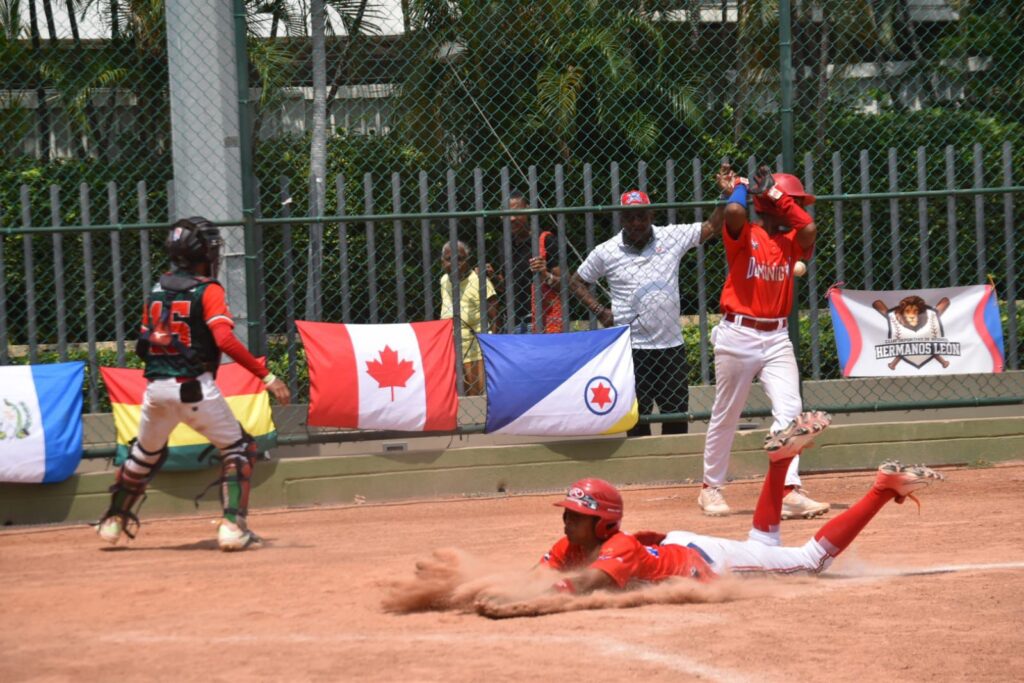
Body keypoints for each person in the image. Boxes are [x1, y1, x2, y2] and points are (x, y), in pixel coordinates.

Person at [96, 217, 291, 551]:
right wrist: (267, 377)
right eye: (211, 247)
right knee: (240, 449)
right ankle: (232, 527)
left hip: (155, 388)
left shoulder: (157, 289)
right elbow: (224, 340)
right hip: (194, 387)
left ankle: (113, 522)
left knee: (144, 455)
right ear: (202, 252)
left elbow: (144, 344)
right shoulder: (208, 290)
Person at [535, 456, 944, 595]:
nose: (566, 519)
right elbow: (539, 575)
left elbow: (584, 584)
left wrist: (544, 594)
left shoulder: (617, 549)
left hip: (710, 561)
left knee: (809, 560)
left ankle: (882, 489)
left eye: (576, 515)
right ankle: (779, 463)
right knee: (764, 543)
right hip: (684, 548)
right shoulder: (571, 544)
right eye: (568, 512)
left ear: (603, 522)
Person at [698, 164, 830, 519]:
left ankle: (786, 489)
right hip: (738, 334)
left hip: (776, 337)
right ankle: (711, 488)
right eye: (792, 200)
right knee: (727, 414)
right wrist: (741, 188)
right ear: (771, 205)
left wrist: (774, 194)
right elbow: (735, 211)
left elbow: (809, 227)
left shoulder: (791, 242)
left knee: (790, 411)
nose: (797, 206)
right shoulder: (745, 233)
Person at [566, 188, 724, 437]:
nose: (637, 223)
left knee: (676, 416)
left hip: (671, 347)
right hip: (632, 349)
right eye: (630, 218)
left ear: (651, 215)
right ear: (621, 219)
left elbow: (712, 227)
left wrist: (726, 195)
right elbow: (576, 281)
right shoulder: (606, 251)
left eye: (642, 216)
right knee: (637, 420)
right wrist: (599, 310)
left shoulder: (670, 237)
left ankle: (673, 467)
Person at [439, 240, 499, 396]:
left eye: (459, 259)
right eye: (448, 259)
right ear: (442, 262)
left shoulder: (479, 281)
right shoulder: (444, 281)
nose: (454, 263)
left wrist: (490, 348)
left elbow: (495, 317)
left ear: (467, 260)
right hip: (450, 350)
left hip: (476, 350)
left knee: (476, 399)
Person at [500, 191, 564, 333]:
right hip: (511, 322)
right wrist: (491, 277)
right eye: (507, 214)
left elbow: (565, 285)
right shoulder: (504, 244)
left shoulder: (546, 241)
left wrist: (545, 275)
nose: (511, 218)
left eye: (517, 212)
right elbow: (504, 287)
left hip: (541, 321)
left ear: (528, 210)